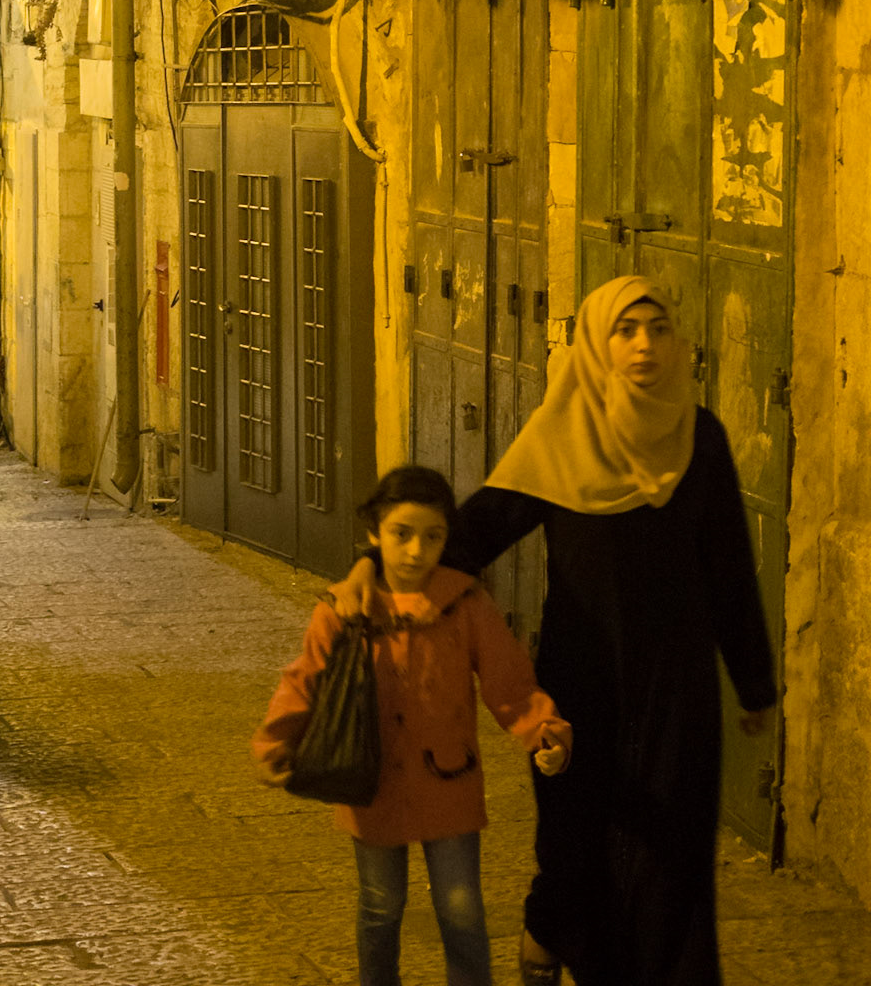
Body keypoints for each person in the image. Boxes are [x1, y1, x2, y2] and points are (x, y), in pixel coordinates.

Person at [333, 279, 776, 986]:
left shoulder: (703, 439)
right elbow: (474, 532)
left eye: (657, 329)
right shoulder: (559, 438)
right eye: (625, 329)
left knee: (674, 845)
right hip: (580, 675)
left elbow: (728, 568)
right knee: (573, 839)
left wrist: (754, 682)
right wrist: (372, 566)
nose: (643, 344)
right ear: (596, 343)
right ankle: (553, 934)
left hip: (676, 683)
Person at [256, 466, 570, 986]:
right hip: (370, 783)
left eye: (433, 536)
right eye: (401, 534)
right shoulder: (344, 609)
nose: (415, 550)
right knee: (380, 907)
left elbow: (509, 683)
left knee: (461, 909)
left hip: (449, 783)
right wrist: (276, 737)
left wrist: (546, 732)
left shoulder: (466, 605)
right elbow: (304, 678)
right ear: (375, 534)